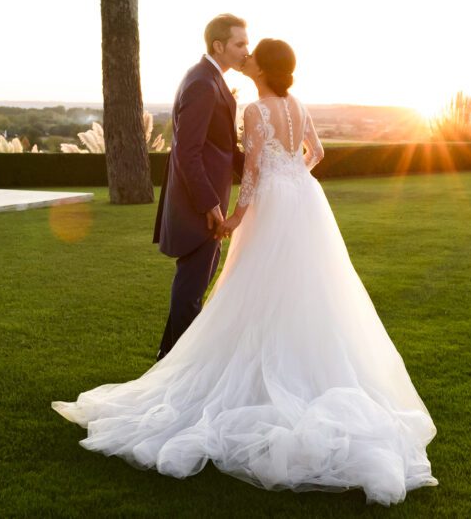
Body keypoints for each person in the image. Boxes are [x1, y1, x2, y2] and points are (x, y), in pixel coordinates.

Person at [54, 38, 437, 506]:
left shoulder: (256, 110)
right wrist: (294, 173)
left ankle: (258, 374)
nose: (247, 56)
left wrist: (238, 215)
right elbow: (315, 152)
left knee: (254, 288)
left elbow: (252, 171)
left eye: (254, 53)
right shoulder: (297, 103)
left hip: (275, 202)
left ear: (264, 67)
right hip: (305, 200)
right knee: (307, 289)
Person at [151, 14, 248, 361]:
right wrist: (210, 205)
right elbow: (187, 152)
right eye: (239, 44)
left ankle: (168, 357)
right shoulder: (202, 84)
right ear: (218, 46)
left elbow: (222, 148)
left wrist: (259, 169)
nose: (245, 51)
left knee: (193, 286)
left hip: (205, 199)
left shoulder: (210, 79)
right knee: (191, 288)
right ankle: (179, 365)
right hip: (197, 204)